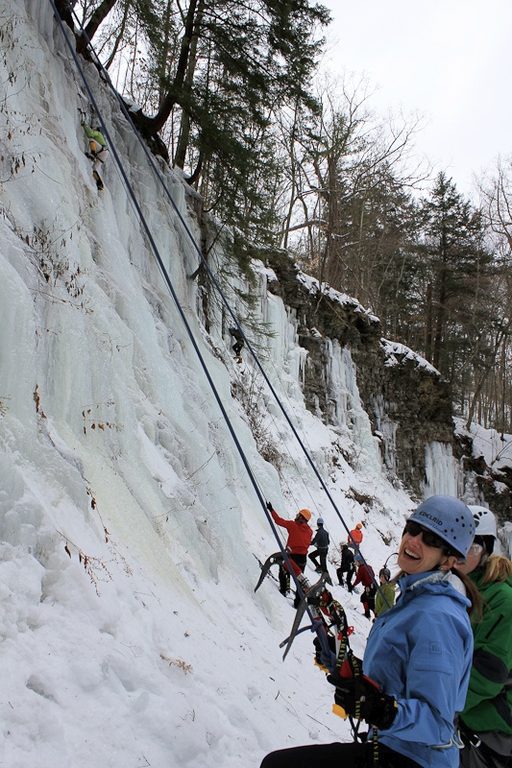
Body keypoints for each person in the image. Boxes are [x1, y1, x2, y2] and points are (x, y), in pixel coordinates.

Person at [260, 495, 480, 768]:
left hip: (414, 758)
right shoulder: (416, 598)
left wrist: (382, 710)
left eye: (431, 540)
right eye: (413, 530)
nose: (414, 541)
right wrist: (341, 662)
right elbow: (395, 678)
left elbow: (437, 723)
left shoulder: (438, 617)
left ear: (448, 560)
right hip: (393, 746)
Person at [457, 506, 512, 768]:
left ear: (486, 551)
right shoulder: (455, 586)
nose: (459, 554)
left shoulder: (501, 598)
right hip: (463, 714)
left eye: (471, 547)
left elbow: (488, 674)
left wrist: (437, 706)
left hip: (491, 728)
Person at [266, 502, 313, 608]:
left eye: (298, 515)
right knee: (299, 580)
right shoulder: (310, 531)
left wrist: (271, 509)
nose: (296, 517)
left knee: (284, 570)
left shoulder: (293, 525)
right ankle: (298, 603)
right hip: (303, 559)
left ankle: (284, 589)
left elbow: (278, 521)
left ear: (301, 517)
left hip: (292, 556)